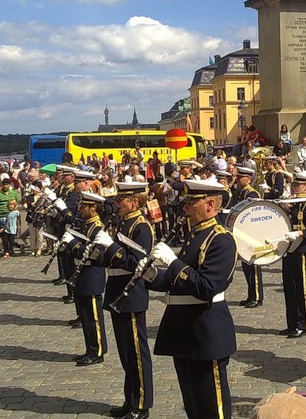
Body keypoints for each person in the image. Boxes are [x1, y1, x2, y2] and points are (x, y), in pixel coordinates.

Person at [144, 179, 237, 419]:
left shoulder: (221, 239)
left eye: (190, 202)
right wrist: (152, 275)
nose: (184, 208)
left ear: (209, 204)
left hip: (206, 331)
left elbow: (206, 286)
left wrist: (173, 262)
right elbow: (179, 281)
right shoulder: (195, 234)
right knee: (193, 405)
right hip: (183, 330)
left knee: (211, 407)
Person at [92, 181, 154, 419]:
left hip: (132, 291)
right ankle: (130, 399)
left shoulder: (141, 226)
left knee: (137, 352)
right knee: (125, 352)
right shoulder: (123, 223)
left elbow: (136, 262)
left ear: (135, 202)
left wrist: (112, 249)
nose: (117, 204)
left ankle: (141, 404)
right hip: (117, 288)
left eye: (122, 200)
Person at [68, 191, 109, 367]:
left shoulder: (97, 227)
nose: (81, 209)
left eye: (84, 206)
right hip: (83, 273)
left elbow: (94, 253)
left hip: (92, 275)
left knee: (93, 317)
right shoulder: (87, 225)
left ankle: (97, 350)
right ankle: (90, 348)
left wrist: (73, 244)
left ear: (93, 208)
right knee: (85, 315)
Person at [279, 171, 306, 338]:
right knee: (289, 287)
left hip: (301, 249)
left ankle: (303, 324)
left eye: (297, 185)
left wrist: (300, 234)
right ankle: (292, 323)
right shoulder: (293, 203)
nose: (294, 187)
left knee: (300, 288)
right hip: (289, 249)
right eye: (293, 184)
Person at [231, 166, 264, 308]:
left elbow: (254, 215)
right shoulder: (239, 192)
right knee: (246, 266)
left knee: (254, 266)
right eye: (237, 177)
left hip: (252, 234)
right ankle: (250, 294)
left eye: (240, 177)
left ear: (248, 179)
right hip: (242, 234)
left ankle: (257, 296)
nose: (238, 180)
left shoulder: (253, 194)